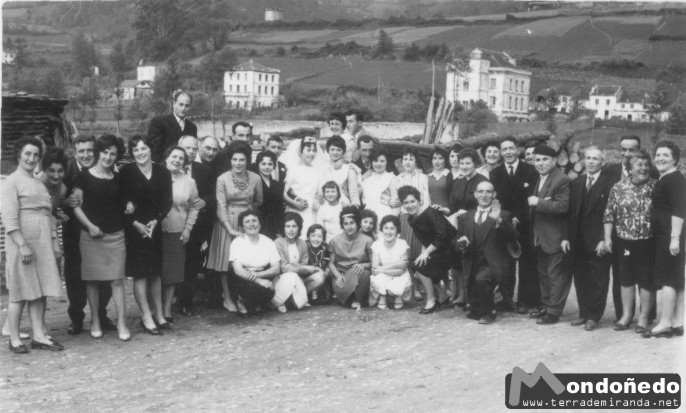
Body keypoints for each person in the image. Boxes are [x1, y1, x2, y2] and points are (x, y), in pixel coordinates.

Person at [2, 137, 64, 353]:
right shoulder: (11, 182)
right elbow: (9, 218)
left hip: (43, 242)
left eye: (36, 155)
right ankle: (15, 338)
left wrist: (55, 240)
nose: (31, 158)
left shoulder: (38, 182)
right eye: (27, 154)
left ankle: (39, 336)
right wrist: (22, 244)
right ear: (19, 155)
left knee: (40, 290)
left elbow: (49, 213)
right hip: (24, 243)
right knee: (20, 291)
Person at [72, 134, 131, 341]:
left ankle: (122, 322)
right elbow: (75, 206)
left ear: (117, 156)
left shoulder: (117, 177)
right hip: (91, 236)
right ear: (99, 152)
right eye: (105, 152)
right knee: (93, 281)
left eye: (113, 154)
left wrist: (130, 205)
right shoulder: (83, 177)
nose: (108, 157)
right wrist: (90, 226)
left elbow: (124, 202)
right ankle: (95, 320)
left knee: (117, 280)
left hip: (116, 235)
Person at [120, 135, 173, 334]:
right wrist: (135, 224)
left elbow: (167, 200)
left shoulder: (162, 172)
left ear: (150, 150)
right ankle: (146, 316)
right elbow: (121, 202)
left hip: (154, 226)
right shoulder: (126, 172)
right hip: (135, 229)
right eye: (136, 150)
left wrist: (156, 221)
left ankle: (159, 314)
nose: (140, 153)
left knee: (156, 273)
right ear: (132, 153)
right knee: (141, 274)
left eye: (143, 148)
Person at [604, 135, 659, 322]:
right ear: (630, 168)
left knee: (646, 280)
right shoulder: (618, 188)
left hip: (648, 241)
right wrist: (608, 238)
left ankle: (644, 317)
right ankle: (626, 315)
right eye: (639, 165)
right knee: (625, 279)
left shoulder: (656, 187)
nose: (643, 169)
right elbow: (609, 214)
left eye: (646, 165)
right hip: (624, 241)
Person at [61, 135, 113, 335]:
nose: (85, 155)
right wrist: (66, 203)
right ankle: (76, 318)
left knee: (104, 274)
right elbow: (57, 198)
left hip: (102, 231)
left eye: (89, 150)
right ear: (75, 152)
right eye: (81, 151)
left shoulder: (107, 167)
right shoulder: (67, 171)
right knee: (75, 275)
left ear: (97, 151)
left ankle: (100, 314)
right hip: (74, 232)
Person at [561, 146, 613, 331]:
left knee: (598, 279)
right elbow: (570, 213)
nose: (590, 162)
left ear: (602, 162)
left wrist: (604, 239)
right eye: (588, 158)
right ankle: (583, 313)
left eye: (595, 159)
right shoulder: (577, 182)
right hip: (578, 240)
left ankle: (594, 316)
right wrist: (566, 237)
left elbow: (611, 214)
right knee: (581, 278)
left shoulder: (610, 184)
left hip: (598, 240)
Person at [207, 143, 263, 313]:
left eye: (242, 160)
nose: (238, 163)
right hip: (227, 222)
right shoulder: (222, 179)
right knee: (226, 263)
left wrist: (249, 217)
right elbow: (221, 205)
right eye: (234, 159)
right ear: (230, 160)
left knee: (248, 260)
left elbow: (258, 200)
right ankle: (227, 298)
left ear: (248, 160)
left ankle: (245, 298)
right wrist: (229, 228)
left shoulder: (255, 178)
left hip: (247, 221)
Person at [489, 137, 540, 314]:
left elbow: (532, 198)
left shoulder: (531, 170)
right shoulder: (495, 173)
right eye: (504, 150)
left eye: (511, 148)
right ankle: (506, 299)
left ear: (517, 150)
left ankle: (527, 300)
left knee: (527, 263)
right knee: (505, 262)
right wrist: (504, 220)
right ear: (501, 153)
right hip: (503, 223)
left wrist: (520, 218)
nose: (508, 152)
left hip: (525, 223)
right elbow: (496, 200)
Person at [456, 181, 518, 324]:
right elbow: (457, 240)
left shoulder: (503, 214)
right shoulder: (466, 217)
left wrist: (499, 220)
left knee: (481, 279)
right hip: (473, 260)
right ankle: (497, 297)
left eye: (488, 192)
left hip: (495, 261)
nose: (484, 195)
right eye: (481, 191)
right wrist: (461, 242)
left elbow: (513, 236)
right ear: (476, 194)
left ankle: (490, 312)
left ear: (494, 194)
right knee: (474, 311)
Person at [229, 210, 308, 315]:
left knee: (268, 290)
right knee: (251, 287)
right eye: (247, 222)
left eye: (254, 221)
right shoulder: (237, 242)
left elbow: (276, 268)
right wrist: (258, 280)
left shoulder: (268, 242)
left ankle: (257, 302)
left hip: (263, 274)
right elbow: (238, 270)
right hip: (243, 277)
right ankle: (241, 301)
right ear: (242, 227)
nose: (252, 224)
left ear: (260, 224)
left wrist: (259, 275)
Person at [643, 140, 685, 338]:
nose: (660, 158)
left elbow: (679, 209)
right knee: (676, 279)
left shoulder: (674, 179)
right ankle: (677, 322)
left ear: (675, 159)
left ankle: (666, 322)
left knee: (668, 278)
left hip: (669, 235)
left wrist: (674, 238)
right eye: (658, 154)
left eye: (665, 155)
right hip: (667, 234)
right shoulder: (667, 178)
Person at [527, 144, 572, 325]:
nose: (540, 163)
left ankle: (554, 312)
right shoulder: (542, 178)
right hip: (541, 236)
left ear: (554, 161)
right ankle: (546, 306)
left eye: (545, 159)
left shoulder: (561, 179)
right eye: (537, 159)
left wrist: (539, 202)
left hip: (555, 236)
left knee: (556, 275)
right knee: (544, 273)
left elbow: (563, 206)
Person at [399, 186, 457, 314]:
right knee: (415, 263)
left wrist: (426, 253)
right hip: (437, 250)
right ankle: (442, 296)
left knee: (422, 267)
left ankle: (431, 301)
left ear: (419, 201)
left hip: (451, 249)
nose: (410, 205)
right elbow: (425, 240)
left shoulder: (431, 213)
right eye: (406, 203)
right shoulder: (411, 219)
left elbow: (441, 237)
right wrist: (423, 254)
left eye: (412, 201)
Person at [160, 146, 202, 323]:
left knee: (172, 274)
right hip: (154, 231)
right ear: (166, 157)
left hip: (177, 231)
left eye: (181, 158)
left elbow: (194, 207)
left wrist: (187, 229)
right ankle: (152, 309)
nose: (177, 160)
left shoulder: (189, 182)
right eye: (173, 156)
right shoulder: (156, 175)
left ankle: (167, 309)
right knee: (154, 273)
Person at [177, 135, 215, 316]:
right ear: (179, 148)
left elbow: (212, 195)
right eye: (186, 148)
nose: (190, 152)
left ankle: (186, 302)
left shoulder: (204, 170)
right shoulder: (168, 168)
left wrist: (204, 202)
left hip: (195, 225)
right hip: (172, 223)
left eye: (193, 148)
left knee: (191, 264)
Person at [328, 206, 374, 309]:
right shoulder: (334, 241)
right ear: (342, 225)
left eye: (352, 223)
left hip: (360, 272)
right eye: (346, 224)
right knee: (341, 286)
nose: (349, 227)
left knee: (360, 275)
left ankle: (352, 299)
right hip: (342, 274)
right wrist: (338, 275)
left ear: (357, 223)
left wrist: (363, 265)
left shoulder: (368, 240)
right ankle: (352, 299)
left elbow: (374, 263)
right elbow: (331, 263)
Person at [275, 213, 327, 298]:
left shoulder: (302, 243)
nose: (291, 230)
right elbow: (283, 268)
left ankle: (295, 298)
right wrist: (301, 268)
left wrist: (317, 269)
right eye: (288, 226)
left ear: (299, 227)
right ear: (283, 228)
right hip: (283, 280)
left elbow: (304, 265)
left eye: (294, 226)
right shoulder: (278, 242)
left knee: (320, 277)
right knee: (291, 276)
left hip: (299, 279)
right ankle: (289, 298)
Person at [370, 215, 411, 310]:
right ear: (382, 229)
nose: (388, 232)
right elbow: (374, 270)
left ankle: (397, 296)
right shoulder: (376, 245)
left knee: (397, 284)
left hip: (398, 275)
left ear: (397, 230)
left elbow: (401, 270)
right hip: (384, 275)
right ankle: (382, 296)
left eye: (392, 228)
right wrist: (397, 264)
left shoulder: (402, 244)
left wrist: (381, 269)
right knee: (379, 278)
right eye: (386, 228)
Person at [283, 139, 321, 238]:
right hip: (296, 207)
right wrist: (294, 203)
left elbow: (320, 190)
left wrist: (317, 199)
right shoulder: (293, 169)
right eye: (308, 150)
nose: (311, 153)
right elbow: (283, 192)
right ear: (300, 151)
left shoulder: (317, 170)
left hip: (312, 209)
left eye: (314, 150)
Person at [147, 90, 197, 162]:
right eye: (181, 104)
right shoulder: (159, 122)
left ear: (190, 107)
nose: (183, 108)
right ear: (174, 104)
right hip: (164, 167)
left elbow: (193, 151)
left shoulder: (192, 127)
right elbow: (154, 150)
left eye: (187, 105)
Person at [314, 136, 360, 208]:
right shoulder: (323, 168)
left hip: (342, 205)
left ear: (343, 152)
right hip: (324, 205)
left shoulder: (349, 169)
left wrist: (354, 209)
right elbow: (319, 191)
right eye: (332, 149)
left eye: (338, 150)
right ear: (328, 151)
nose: (335, 152)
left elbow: (354, 195)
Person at [255, 151, 285, 240]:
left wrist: (279, 231)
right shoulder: (254, 182)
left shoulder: (277, 184)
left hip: (274, 225)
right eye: (263, 164)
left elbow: (279, 209)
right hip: (259, 224)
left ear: (274, 166)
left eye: (270, 164)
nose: (267, 167)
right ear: (258, 165)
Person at [390, 148, 430, 213]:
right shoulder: (396, 180)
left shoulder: (423, 178)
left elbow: (426, 200)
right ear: (402, 162)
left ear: (415, 162)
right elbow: (395, 202)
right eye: (405, 159)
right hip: (403, 215)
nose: (408, 162)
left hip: (420, 214)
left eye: (411, 159)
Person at [361, 149, 396, 219]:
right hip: (367, 216)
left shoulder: (391, 177)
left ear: (387, 162)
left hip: (384, 214)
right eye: (375, 161)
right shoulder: (367, 179)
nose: (378, 164)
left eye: (382, 161)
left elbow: (396, 203)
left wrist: (391, 219)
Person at [305, 224, 332, 303]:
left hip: (320, 276)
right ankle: (302, 295)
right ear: (308, 237)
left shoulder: (325, 248)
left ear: (323, 239)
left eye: (319, 236)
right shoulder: (305, 246)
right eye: (313, 236)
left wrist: (326, 271)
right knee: (319, 277)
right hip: (305, 277)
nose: (316, 239)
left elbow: (326, 263)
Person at [427, 146, 452, 216]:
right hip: (430, 213)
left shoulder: (450, 175)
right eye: (434, 158)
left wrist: (445, 210)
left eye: (440, 158)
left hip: (447, 212)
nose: (437, 162)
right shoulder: (427, 177)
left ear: (445, 160)